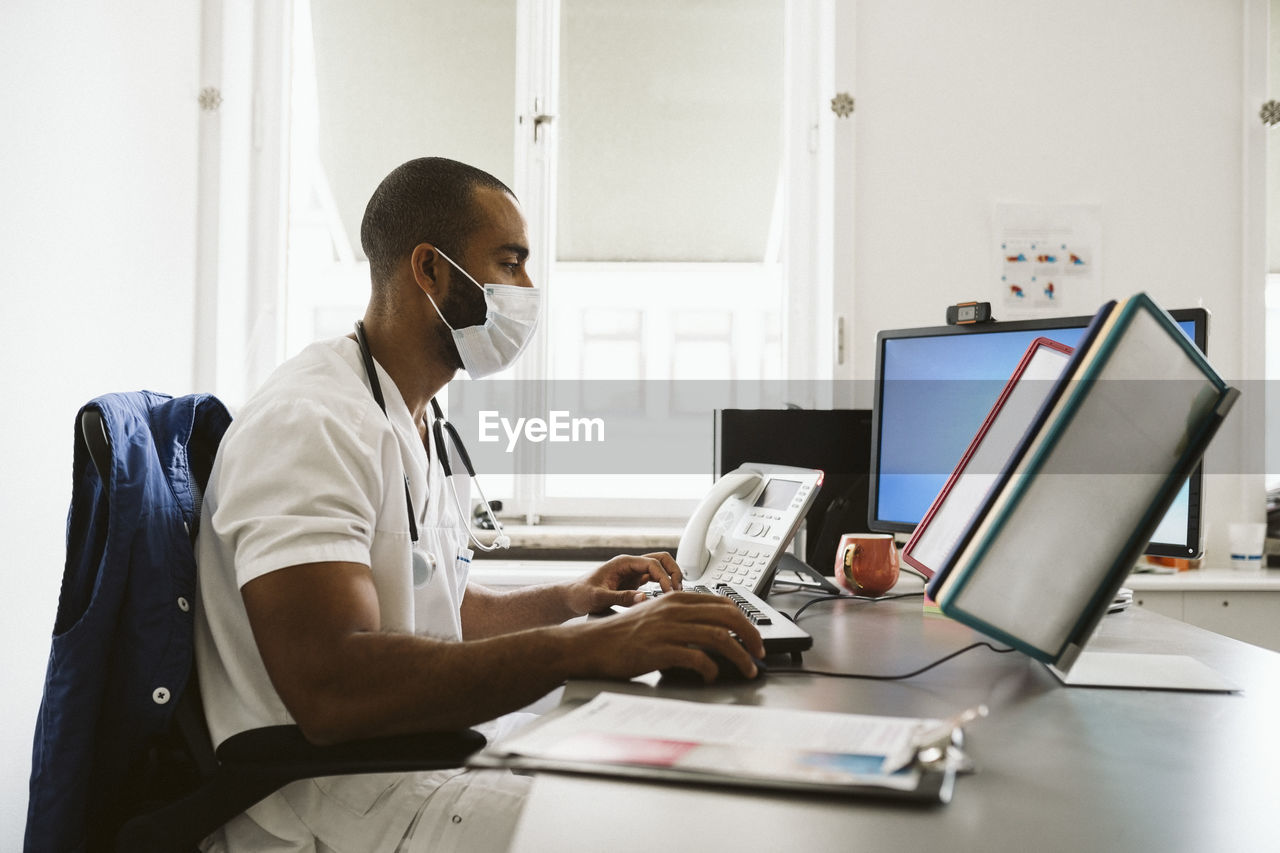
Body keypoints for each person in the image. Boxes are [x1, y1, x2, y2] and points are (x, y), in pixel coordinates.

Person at [193, 156, 764, 853]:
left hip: (410, 764)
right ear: (428, 270)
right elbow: (331, 686)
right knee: (672, 822)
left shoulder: (411, 414)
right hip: (331, 802)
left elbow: (436, 613)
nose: (527, 289)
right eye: (510, 261)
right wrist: (592, 645)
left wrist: (570, 598)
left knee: (675, 757)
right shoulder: (310, 421)